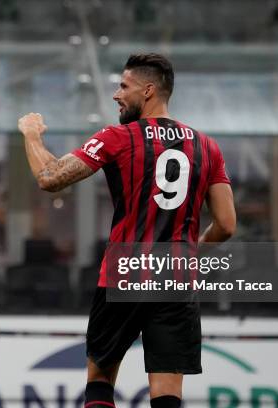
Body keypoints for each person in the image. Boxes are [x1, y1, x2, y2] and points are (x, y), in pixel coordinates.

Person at [17, 53, 236, 408]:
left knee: (101, 378)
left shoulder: (118, 138)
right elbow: (226, 225)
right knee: (167, 391)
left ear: (148, 91)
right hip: (175, 282)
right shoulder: (207, 147)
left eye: (123, 86)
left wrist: (31, 136)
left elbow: (50, 177)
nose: (117, 95)